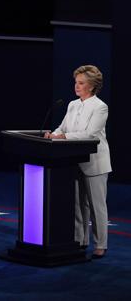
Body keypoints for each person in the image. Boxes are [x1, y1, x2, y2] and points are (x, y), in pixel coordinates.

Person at [44, 65, 111, 259]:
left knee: (96, 205)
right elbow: (62, 127)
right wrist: (53, 134)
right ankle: (80, 240)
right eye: (76, 82)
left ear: (91, 86)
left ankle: (101, 244)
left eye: (81, 83)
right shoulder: (72, 104)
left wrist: (62, 137)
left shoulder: (100, 106)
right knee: (78, 204)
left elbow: (89, 134)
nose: (77, 86)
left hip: (95, 161)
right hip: (73, 160)